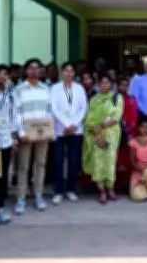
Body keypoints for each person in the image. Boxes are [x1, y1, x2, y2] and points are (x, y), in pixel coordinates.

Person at [13, 58, 53, 215]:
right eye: (31, 68)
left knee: (40, 165)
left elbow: (49, 111)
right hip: (26, 134)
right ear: (26, 70)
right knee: (23, 167)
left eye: (37, 68)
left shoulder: (46, 89)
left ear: (41, 71)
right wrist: (21, 133)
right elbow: (17, 112)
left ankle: (38, 196)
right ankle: (21, 198)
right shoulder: (19, 89)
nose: (34, 71)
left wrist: (48, 131)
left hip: (42, 133)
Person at [49, 61, 87, 206]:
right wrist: (66, 124)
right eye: (66, 71)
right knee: (58, 160)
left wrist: (74, 124)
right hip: (60, 130)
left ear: (74, 73)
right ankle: (58, 191)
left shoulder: (79, 88)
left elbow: (83, 107)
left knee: (73, 160)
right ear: (62, 72)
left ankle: (70, 189)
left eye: (71, 71)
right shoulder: (55, 88)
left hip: (76, 130)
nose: (68, 73)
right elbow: (54, 108)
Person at [83, 75, 124, 204]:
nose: (105, 84)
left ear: (112, 84)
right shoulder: (94, 99)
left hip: (111, 133)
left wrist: (100, 126)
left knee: (110, 161)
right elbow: (89, 117)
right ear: (98, 84)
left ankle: (110, 188)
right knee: (98, 162)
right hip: (96, 133)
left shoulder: (117, 98)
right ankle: (101, 190)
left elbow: (116, 117)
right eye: (102, 82)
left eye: (107, 82)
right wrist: (94, 128)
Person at [0, 64, 18, 225]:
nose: (1, 76)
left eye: (4, 73)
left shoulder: (11, 94)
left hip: (6, 140)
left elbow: (14, 116)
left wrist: (14, 137)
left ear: (7, 77)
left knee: (3, 175)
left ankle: (0, 206)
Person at [116, 76, 139, 192]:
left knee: (128, 158)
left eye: (126, 85)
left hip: (129, 132)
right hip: (116, 131)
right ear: (117, 86)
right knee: (117, 158)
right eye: (121, 85)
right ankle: (117, 184)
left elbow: (134, 116)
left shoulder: (132, 99)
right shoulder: (114, 99)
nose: (123, 87)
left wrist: (129, 129)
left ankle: (127, 184)